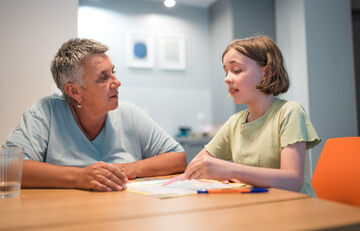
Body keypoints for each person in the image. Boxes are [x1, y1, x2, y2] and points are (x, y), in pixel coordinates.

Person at [6, 38, 187, 192]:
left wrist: (131, 168)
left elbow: (177, 157)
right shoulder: (45, 113)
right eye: (103, 77)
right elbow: (9, 167)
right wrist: (79, 176)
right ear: (74, 91)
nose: (117, 82)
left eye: (113, 72)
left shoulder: (130, 114)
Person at [185, 36, 321, 196]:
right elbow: (194, 168)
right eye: (226, 72)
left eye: (236, 70)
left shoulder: (290, 112)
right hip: (256, 209)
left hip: (294, 210)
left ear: (266, 73)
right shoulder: (234, 123)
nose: (227, 79)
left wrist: (230, 170)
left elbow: (292, 181)